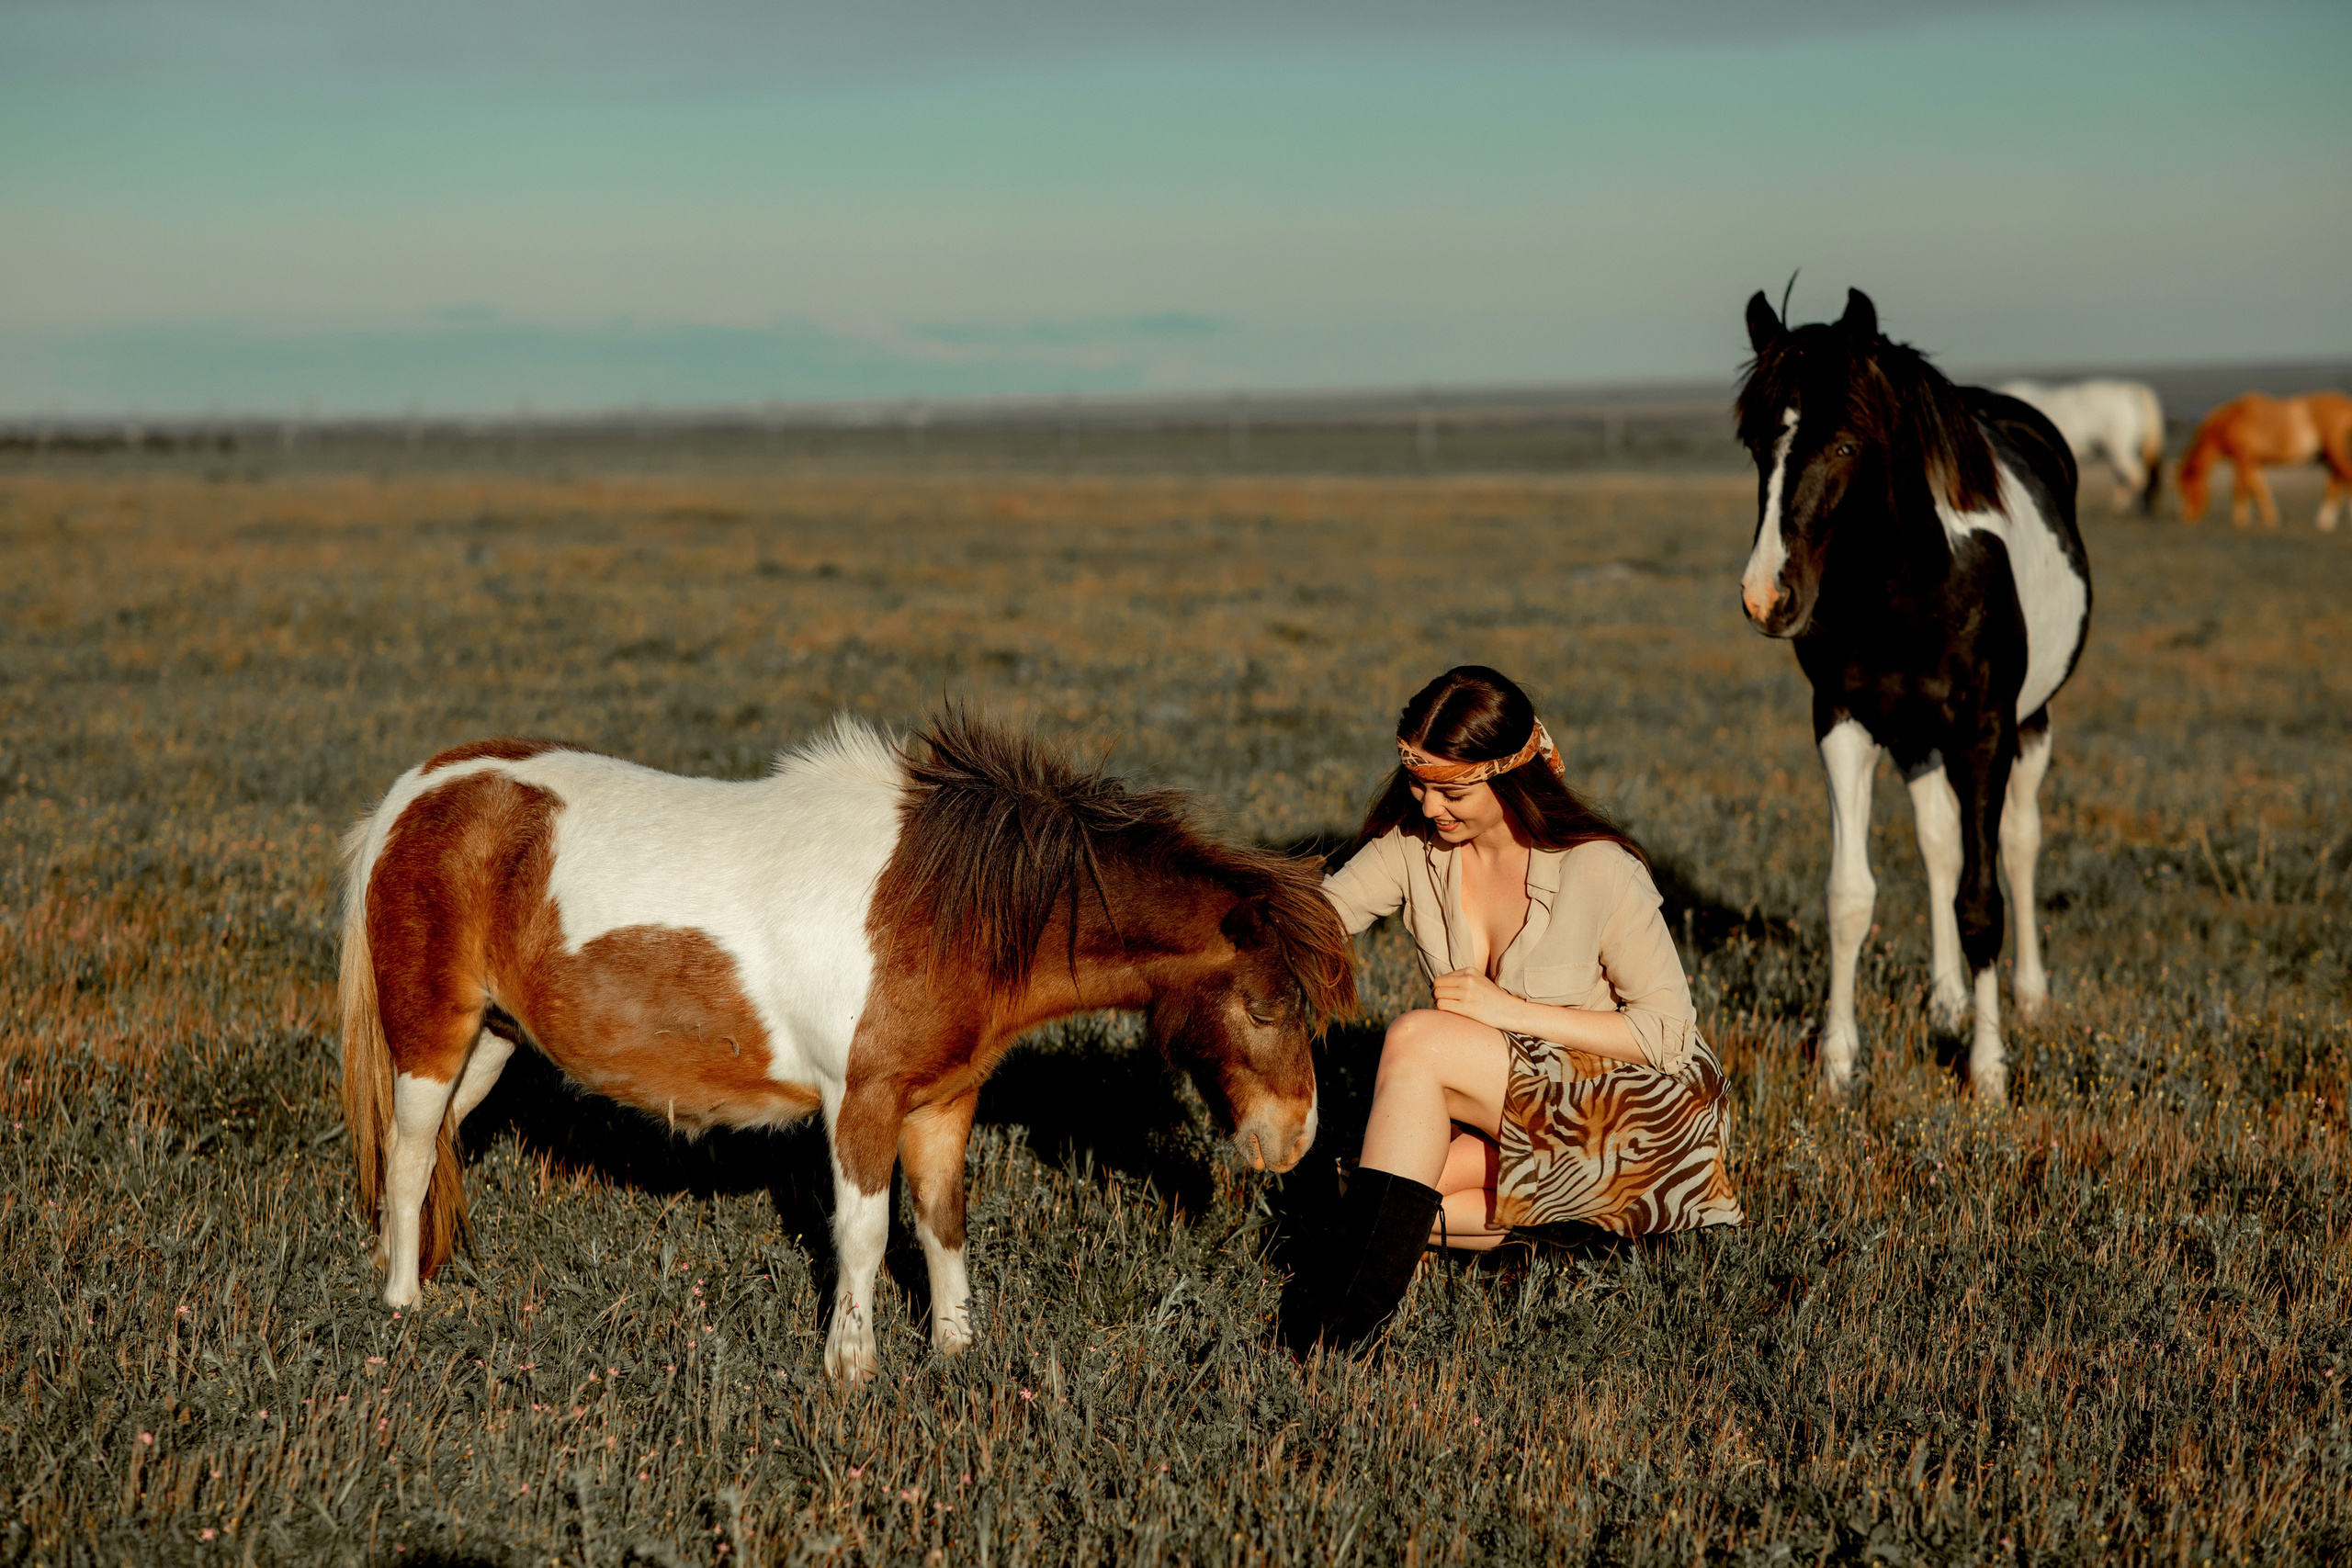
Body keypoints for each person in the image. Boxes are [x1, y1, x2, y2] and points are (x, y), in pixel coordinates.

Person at [1309, 665, 1743, 1350]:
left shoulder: (1598, 867)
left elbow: (1667, 1035)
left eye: (1452, 788)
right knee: (1378, 1203)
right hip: (1526, 1107)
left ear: (1508, 773)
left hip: (1641, 1111)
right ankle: (1577, 1230)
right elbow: (1317, 921)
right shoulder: (1414, 850)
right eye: (1420, 783)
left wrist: (1507, 1009)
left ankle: (1335, 1336)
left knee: (1417, 1043)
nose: (1428, 806)